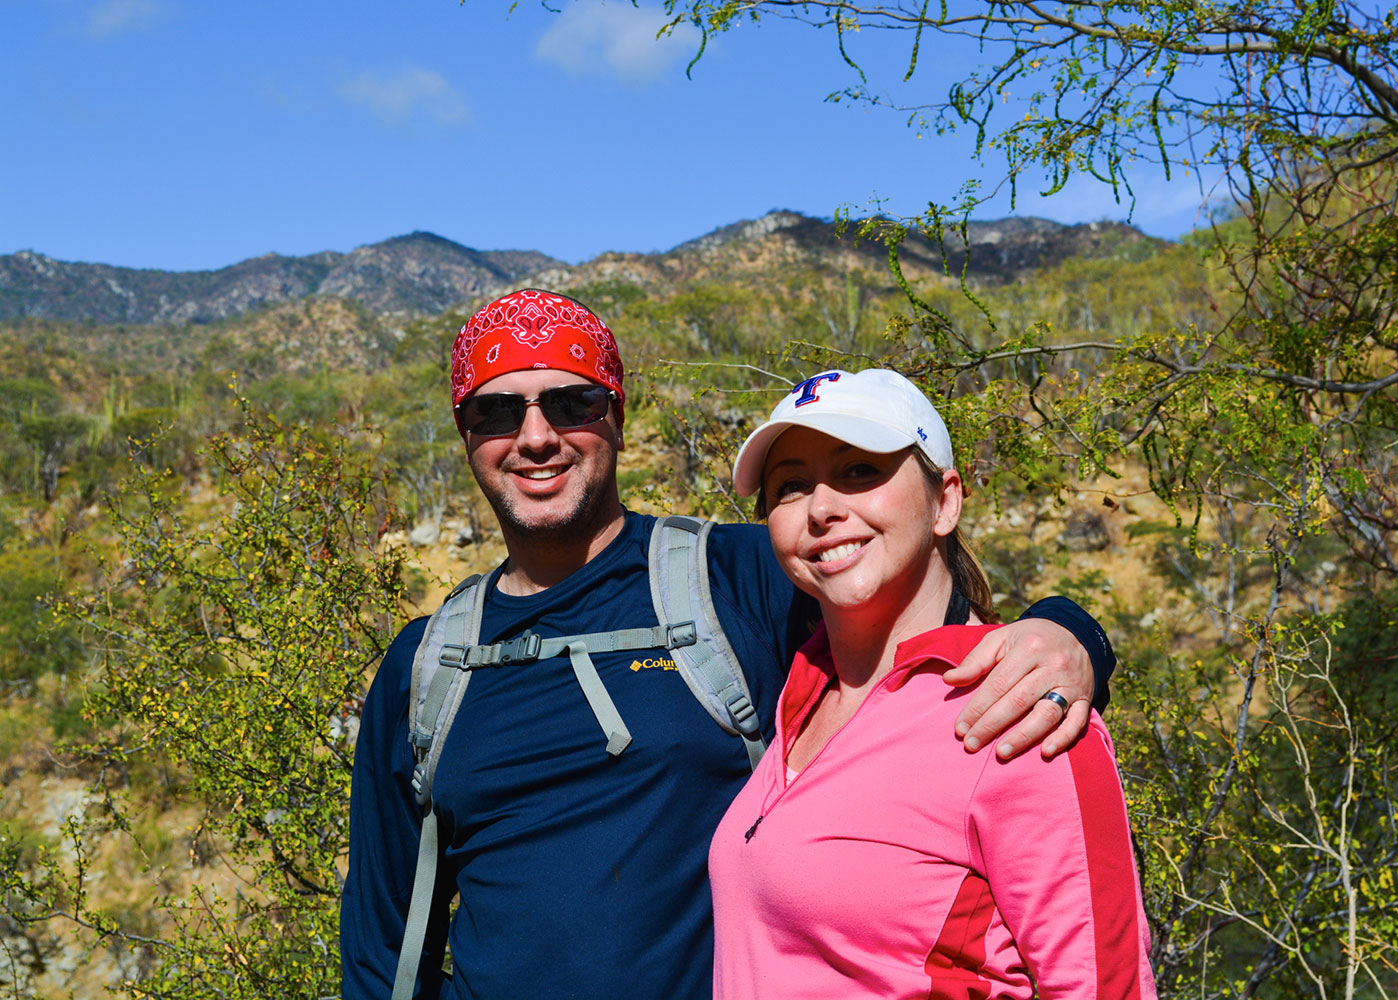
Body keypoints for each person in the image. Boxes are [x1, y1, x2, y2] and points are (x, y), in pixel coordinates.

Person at [340, 290, 1118, 1000]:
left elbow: (924, 613)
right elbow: (383, 955)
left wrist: (1067, 633)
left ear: (616, 415)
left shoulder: (734, 579)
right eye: (497, 413)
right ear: (466, 436)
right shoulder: (428, 664)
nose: (535, 437)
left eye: (572, 402)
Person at [709, 367, 1155, 999]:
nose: (823, 508)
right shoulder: (797, 694)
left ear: (945, 501)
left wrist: (1080, 637)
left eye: (860, 471)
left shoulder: (1019, 713)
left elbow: (1105, 987)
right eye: (792, 486)